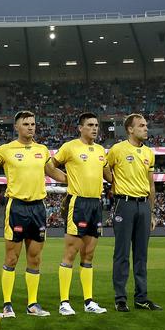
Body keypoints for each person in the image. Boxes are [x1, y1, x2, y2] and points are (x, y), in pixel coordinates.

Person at [0, 110, 67, 318]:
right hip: (17, 207)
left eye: (33, 124)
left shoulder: (42, 150)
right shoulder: (7, 149)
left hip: (38, 208)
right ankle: (7, 305)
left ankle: (32, 304)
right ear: (16, 127)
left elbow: (53, 172)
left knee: (35, 259)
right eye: (26, 124)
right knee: (12, 257)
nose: (30, 127)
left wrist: (76, 180)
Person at [51, 113, 109, 316]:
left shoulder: (101, 150)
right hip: (78, 203)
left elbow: (108, 174)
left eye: (96, 125)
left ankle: (88, 301)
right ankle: (64, 302)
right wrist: (65, 180)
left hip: (95, 203)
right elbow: (50, 165)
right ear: (80, 128)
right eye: (90, 125)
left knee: (89, 254)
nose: (94, 128)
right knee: (70, 253)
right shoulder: (70, 147)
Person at [104, 113, 159, 312]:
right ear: (130, 129)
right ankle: (120, 298)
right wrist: (114, 182)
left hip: (143, 205)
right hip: (124, 204)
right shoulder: (117, 149)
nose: (146, 128)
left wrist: (152, 212)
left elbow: (151, 185)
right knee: (121, 254)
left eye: (146, 125)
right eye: (142, 125)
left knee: (141, 255)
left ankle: (141, 297)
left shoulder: (149, 153)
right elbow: (105, 168)